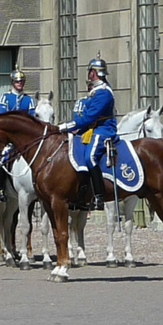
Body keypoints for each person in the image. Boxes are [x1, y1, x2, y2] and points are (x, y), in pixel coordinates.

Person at [57, 55, 117, 211]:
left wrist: (65, 126)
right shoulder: (96, 91)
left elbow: (89, 117)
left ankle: (99, 196)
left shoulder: (103, 92)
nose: (89, 74)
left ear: (93, 72)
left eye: (90, 71)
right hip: (91, 129)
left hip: (103, 129)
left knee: (89, 157)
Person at [0, 67, 36, 202]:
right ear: (12, 82)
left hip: (25, 138)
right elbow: (2, 117)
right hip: (10, 137)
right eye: (17, 81)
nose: (20, 83)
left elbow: (32, 119)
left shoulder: (28, 100)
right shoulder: (5, 98)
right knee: (2, 160)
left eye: (21, 81)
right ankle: (1, 189)